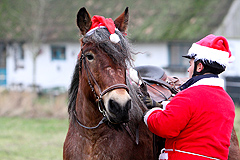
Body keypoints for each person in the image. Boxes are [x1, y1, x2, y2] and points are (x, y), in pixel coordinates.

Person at [142, 34, 235, 160]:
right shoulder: (227, 100)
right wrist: (162, 106)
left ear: (199, 66)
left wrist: (150, 112)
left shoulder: (189, 95)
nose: (188, 70)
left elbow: (164, 127)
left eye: (190, 64)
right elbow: (197, 115)